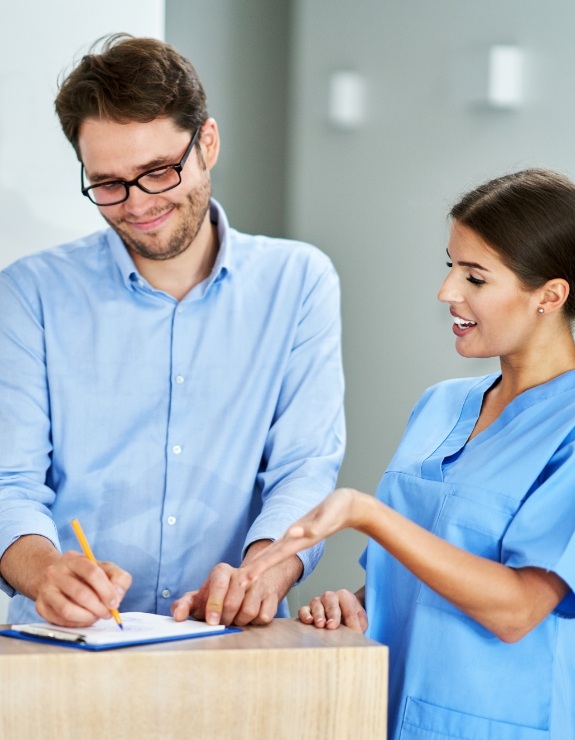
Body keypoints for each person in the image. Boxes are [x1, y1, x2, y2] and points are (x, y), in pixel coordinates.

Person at [0, 34, 345, 630]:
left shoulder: (299, 281)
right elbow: (10, 482)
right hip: (66, 646)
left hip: (230, 640)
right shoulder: (29, 293)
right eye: (108, 183)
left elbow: (304, 467)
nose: (137, 204)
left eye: (158, 171)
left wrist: (265, 571)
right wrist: (44, 572)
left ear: (206, 143)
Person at [240, 168, 575, 738]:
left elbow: (519, 609)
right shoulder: (441, 406)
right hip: (384, 712)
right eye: (450, 267)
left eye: (475, 277)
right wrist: (355, 604)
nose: (447, 292)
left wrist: (367, 513)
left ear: (550, 294)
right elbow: (414, 578)